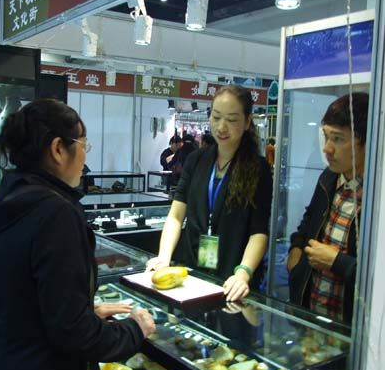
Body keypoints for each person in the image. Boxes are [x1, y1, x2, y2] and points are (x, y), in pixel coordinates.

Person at [0, 99, 156, 370]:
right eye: (84, 144)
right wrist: (133, 330)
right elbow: (73, 334)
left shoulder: (7, 197)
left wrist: (85, 308)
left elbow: (16, 292)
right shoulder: (56, 212)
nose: (85, 156)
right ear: (58, 149)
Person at [147, 85, 273, 302]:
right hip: (190, 269)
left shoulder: (257, 168)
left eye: (231, 119)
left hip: (231, 277)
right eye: (216, 117)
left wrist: (243, 272)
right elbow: (176, 215)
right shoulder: (196, 160)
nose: (221, 127)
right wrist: (164, 256)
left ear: (247, 122)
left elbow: (259, 232)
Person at [287, 93, 368, 324]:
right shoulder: (329, 178)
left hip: (351, 327)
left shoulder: (376, 198)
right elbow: (308, 221)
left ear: (367, 142)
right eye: (326, 136)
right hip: (312, 315)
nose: (327, 149)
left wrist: (338, 263)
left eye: (338, 139)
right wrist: (296, 254)